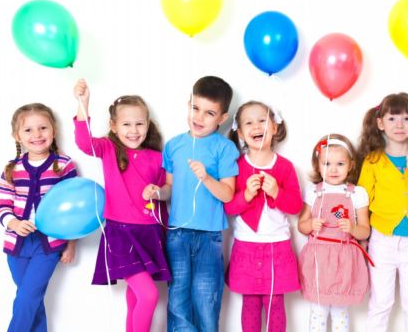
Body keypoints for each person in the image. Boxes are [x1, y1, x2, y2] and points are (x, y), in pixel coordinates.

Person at [73, 79, 170, 332]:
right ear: (114, 127)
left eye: (140, 124)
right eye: (126, 124)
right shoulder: (108, 150)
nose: (134, 130)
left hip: (149, 234)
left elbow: (167, 192)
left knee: (136, 297)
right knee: (148, 296)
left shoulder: (158, 157)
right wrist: (83, 105)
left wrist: (158, 192)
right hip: (120, 235)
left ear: (148, 126)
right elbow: (85, 143)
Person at [144, 76, 239, 332]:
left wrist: (206, 177)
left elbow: (228, 194)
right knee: (178, 300)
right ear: (188, 104)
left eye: (209, 113)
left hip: (209, 236)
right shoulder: (174, 146)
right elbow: (170, 189)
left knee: (206, 300)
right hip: (177, 234)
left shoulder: (225, 148)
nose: (199, 117)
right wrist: (157, 192)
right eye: (195, 108)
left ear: (221, 118)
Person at [357, 92, 408, 332]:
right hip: (382, 240)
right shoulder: (373, 161)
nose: (400, 125)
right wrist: (361, 238)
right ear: (380, 123)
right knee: (381, 302)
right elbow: (361, 201)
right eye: (392, 119)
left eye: (406, 118)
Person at [0, 103, 78, 332]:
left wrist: (71, 244)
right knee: (32, 300)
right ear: (17, 135)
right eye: (28, 130)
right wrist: (13, 222)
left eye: (43, 128)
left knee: (27, 298)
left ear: (53, 130)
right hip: (17, 245)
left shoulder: (63, 165)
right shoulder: (11, 169)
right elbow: (1, 206)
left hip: (48, 244)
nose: (37, 135)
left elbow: (73, 211)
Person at [225, 101, 302, 332]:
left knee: (275, 302)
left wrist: (277, 192)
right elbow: (228, 208)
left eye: (262, 120)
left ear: (275, 127)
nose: (256, 126)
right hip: (246, 246)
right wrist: (246, 195)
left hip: (276, 247)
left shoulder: (286, 167)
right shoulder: (236, 167)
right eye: (249, 122)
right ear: (239, 132)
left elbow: (295, 206)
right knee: (250, 303)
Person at [298, 134, 371, 332]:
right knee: (318, 311)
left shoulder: (357, 193)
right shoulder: (313, 191)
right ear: (318, 165)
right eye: (326, 163)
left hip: (344, 259)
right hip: (318, 260)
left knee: (340, 311)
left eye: (340, 163)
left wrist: (353, 229)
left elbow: (365, 230)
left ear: (351, 165)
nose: (333, 169)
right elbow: (301, 226)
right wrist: (311, 224)